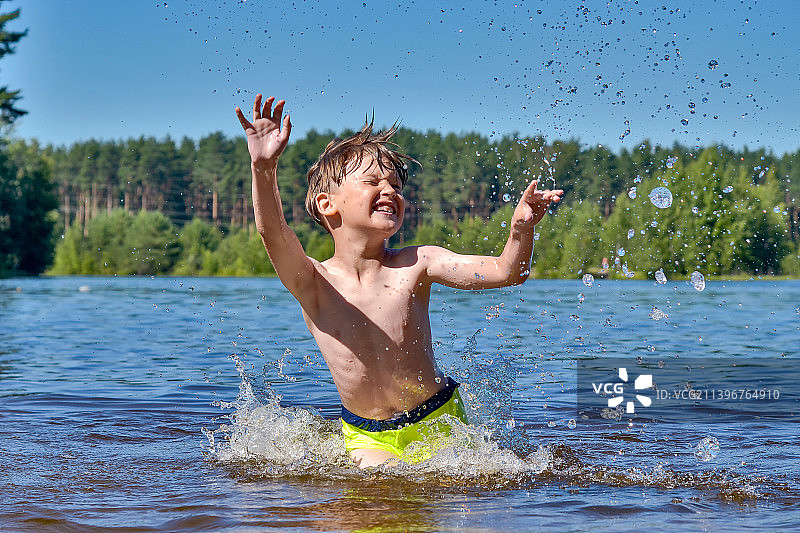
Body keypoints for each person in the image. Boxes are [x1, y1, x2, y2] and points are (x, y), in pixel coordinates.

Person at [235, 94, 563, 467]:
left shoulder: (418, 263)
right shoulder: (313, 281)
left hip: (438, 419)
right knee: (374, 503)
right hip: (367, 433)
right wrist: (263, 168)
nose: (390, 190)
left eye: (396, 185)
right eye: (373, 181)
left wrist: (521, 230)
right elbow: (273, 232)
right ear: (328, 204)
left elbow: (508, 272)